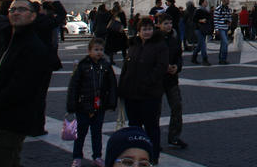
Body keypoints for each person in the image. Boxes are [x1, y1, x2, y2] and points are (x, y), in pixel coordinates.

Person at [0, 0, 53, 166]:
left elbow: (19, 88)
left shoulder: (33, 47)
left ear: (33, 16)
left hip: (12, 118)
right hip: (4, 116)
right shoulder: (12, 40)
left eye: (22, 9)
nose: (16, 12)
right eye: (13, 9)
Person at [118, 17, 169, 164]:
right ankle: (136, 155)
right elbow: (126, 69)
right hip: (131, 93)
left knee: (151, 126)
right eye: (144, 29)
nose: (147, 32)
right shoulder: (133, 45)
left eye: (149, 29)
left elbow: (160, 68)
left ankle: (152, 156)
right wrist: (122, 88)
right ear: (139, 31)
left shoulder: (160, 45)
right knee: (134, 127)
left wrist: (147, 82)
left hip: (150, 93)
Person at [66, 37, 117, 167]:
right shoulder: (82, 65)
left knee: (97, 133)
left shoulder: (106, 65)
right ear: (89, 51)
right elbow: (74, 86)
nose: (99, 52)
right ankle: (77, 157)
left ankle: (97, 156)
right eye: (96, 49)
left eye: (101, 50)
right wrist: (71, 105)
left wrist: (112, 101)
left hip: (99, 105)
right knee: (80, 134)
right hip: (83, 105)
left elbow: (112, 84)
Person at [158, 14, 187, 149]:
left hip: (172, 79)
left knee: (177, 106)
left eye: (170, 23)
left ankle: (174, 137)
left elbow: (179, 56)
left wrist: (177, 67)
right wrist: (164, 66)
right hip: (157, 80)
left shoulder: (174, 38)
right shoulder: (154, 39)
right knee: (155, 111)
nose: (169, 26)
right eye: (166, 23)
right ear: (159, 24)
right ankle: (153, 139)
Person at [191, 0, 212, 65]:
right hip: (199, 29)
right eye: (205, 1)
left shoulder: (206, 10)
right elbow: (194, 20)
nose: (207, 3)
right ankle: (205, 59)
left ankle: (194, 57)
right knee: (203, 44)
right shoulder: (198, 10)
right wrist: (201, 20)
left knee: (200, 45)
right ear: (202, 3)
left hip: (204, 29)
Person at [213, 0, 233, 65]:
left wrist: (229, 21)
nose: (229, 2)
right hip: (220, 28)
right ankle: (223, 58)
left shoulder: (228, 9)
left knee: (223, 44)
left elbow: (229, 17)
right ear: (224, 1)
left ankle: (222, 59)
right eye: (228, 0)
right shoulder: (218, 9)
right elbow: (215, 19)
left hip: (225, 28)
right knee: (225, 42)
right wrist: (216, 29)